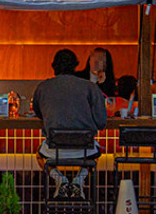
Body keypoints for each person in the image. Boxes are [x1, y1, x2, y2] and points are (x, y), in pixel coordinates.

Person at [32, 49, 107, 199]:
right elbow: (101, 122)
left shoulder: (43, 87)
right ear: (75, 65)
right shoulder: (90, 87)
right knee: (97, 153)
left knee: (39, 154)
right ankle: (79, 179)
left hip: (54, 149)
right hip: (85, 150)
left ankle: (60, 179)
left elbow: (39, 113)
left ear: (54, 66)